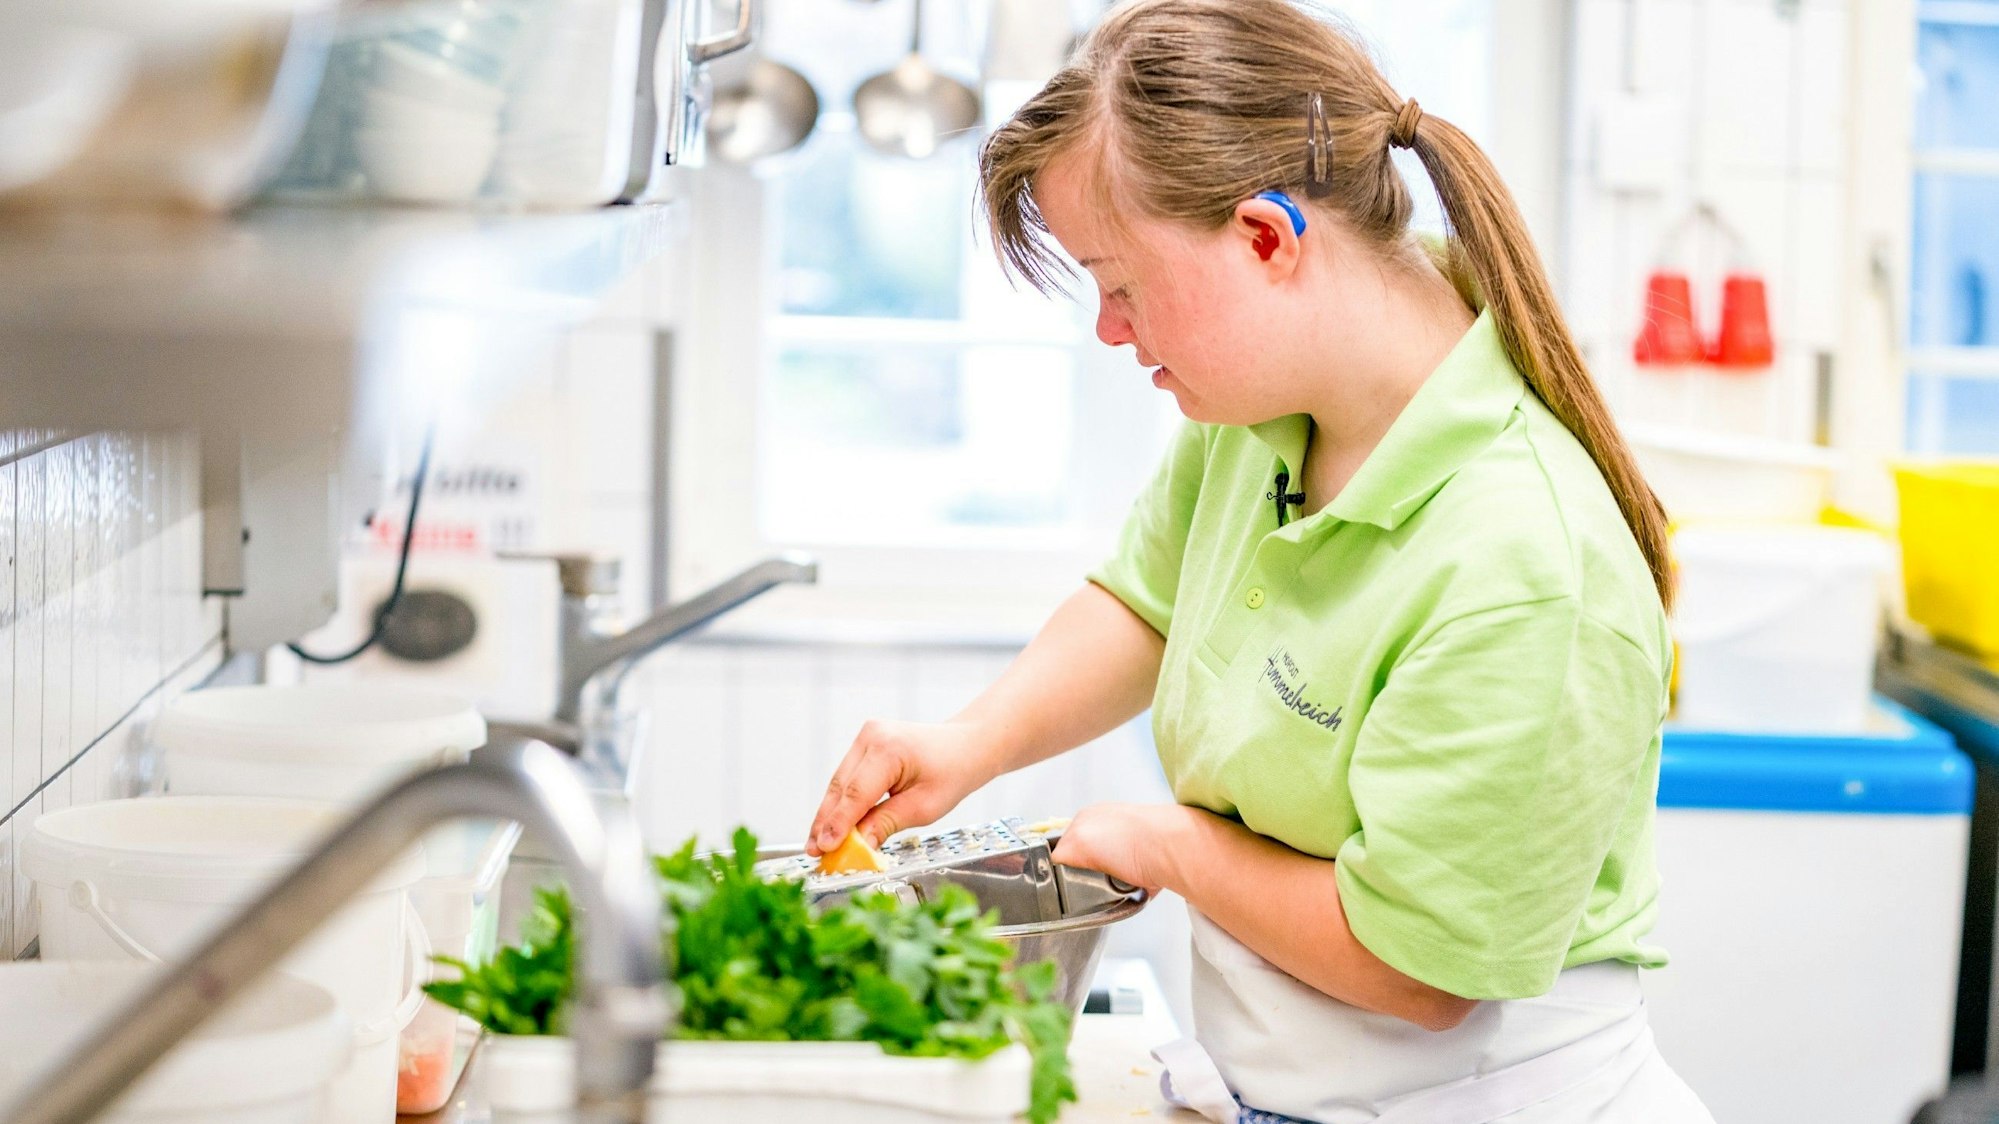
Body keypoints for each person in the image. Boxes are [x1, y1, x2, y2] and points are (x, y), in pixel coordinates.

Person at [806, 1, 1715, 1119]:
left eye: (1122, 284)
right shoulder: (1263, 409)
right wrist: (969, 742)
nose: (1108, 327)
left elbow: (1421, 969)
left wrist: (1171, 845)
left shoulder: (1526, 562)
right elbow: (1151, 598)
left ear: (1267, 239)